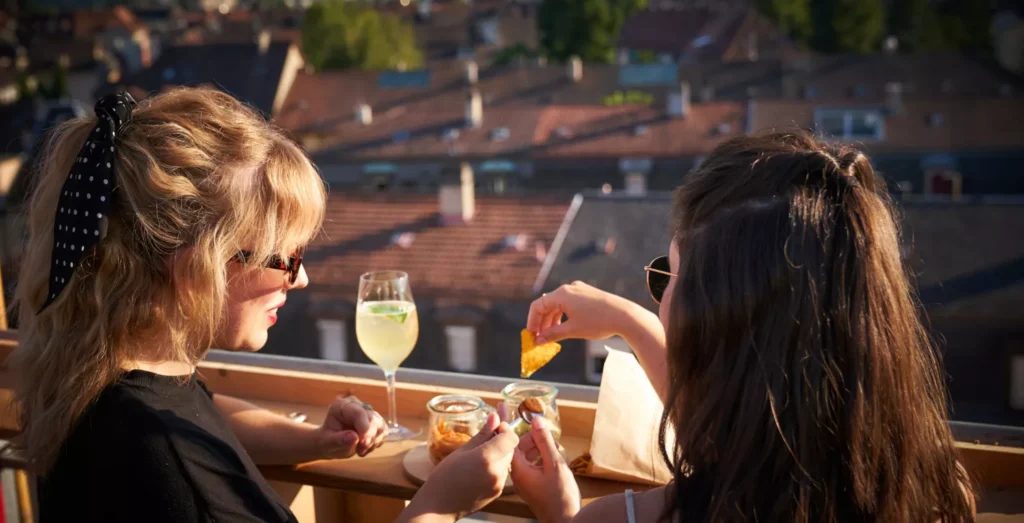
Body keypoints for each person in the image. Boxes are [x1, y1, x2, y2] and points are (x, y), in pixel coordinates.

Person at [12, 88, 519, 523]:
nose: (302, 280)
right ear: (198, 268)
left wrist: (314, 442)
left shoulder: (111, 381)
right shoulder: (181, 483)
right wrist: (442, 501)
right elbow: (186, 456)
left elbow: (203, 415)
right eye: (286, 257)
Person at [511, 131, 976, 522]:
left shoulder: (640, 517)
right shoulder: (940, 487)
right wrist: (627, 322)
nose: (660, 300)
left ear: (719, 325)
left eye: (671, 276)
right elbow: (737, 423)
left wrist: (562, 516)